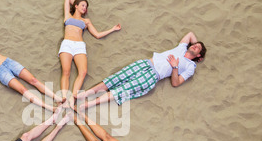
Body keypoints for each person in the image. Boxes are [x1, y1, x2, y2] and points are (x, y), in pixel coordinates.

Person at [76, 31, 206, 109]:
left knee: (121, 90)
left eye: (197, 48)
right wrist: (197, 45)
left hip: (152, 76)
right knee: (115, 78)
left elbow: (176, 83)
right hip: (146, 63)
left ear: (199, 55)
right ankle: (86, 94)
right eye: (195, 45)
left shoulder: (190, 67)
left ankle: (90, 104)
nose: (194, 46)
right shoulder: (182, 48)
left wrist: (175, 67)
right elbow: (190, 34)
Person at [59, 0, 121, 107]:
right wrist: (76, 4)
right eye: (82, 5)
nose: (84, 8)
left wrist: (112, 29)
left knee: (82, 72)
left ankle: (73, 97)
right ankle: (64, 97)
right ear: (76, 6)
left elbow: (97, 35)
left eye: (86, 7)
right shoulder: (68, 16)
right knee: (66, 71)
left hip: (79, 46)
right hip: (67, 44)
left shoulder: (86, 21)